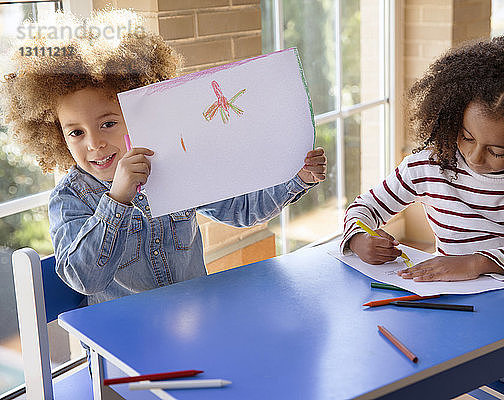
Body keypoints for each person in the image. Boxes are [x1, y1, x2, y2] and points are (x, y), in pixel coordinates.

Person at [0, 9, 327, 305]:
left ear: (136, 113)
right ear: (56, 136)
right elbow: (85, 278)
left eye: (109, 123)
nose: (95, 143)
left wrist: (296, 179)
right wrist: (118, 199)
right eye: (76, 133)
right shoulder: (70, 197)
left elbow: (241, 211)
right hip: (123, 340)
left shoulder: (172, 162)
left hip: (197, 318)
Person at [342, 31, 504, 399]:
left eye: (497, 151)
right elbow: (362, 208)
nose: (476, 157)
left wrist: (479, 261)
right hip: (498, 325)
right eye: (466, 137)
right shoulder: (428, 166)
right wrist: (359, 237)